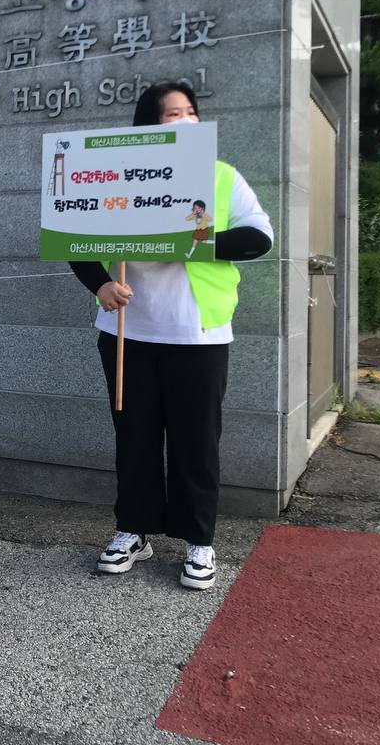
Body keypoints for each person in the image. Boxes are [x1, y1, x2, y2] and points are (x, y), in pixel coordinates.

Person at [70, 81, 273, 591]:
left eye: (190, 112)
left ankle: (198, 539)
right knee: (133, 438)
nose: (183, 121)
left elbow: (257, 237)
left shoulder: (221, 177)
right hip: (126, 333)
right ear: (147, 126)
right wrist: (101, 286)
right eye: (170, 114)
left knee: (196, 442)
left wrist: (192, 242)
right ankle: (133, 530)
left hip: (199, 335)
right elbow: (76, 240)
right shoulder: (115, 176)